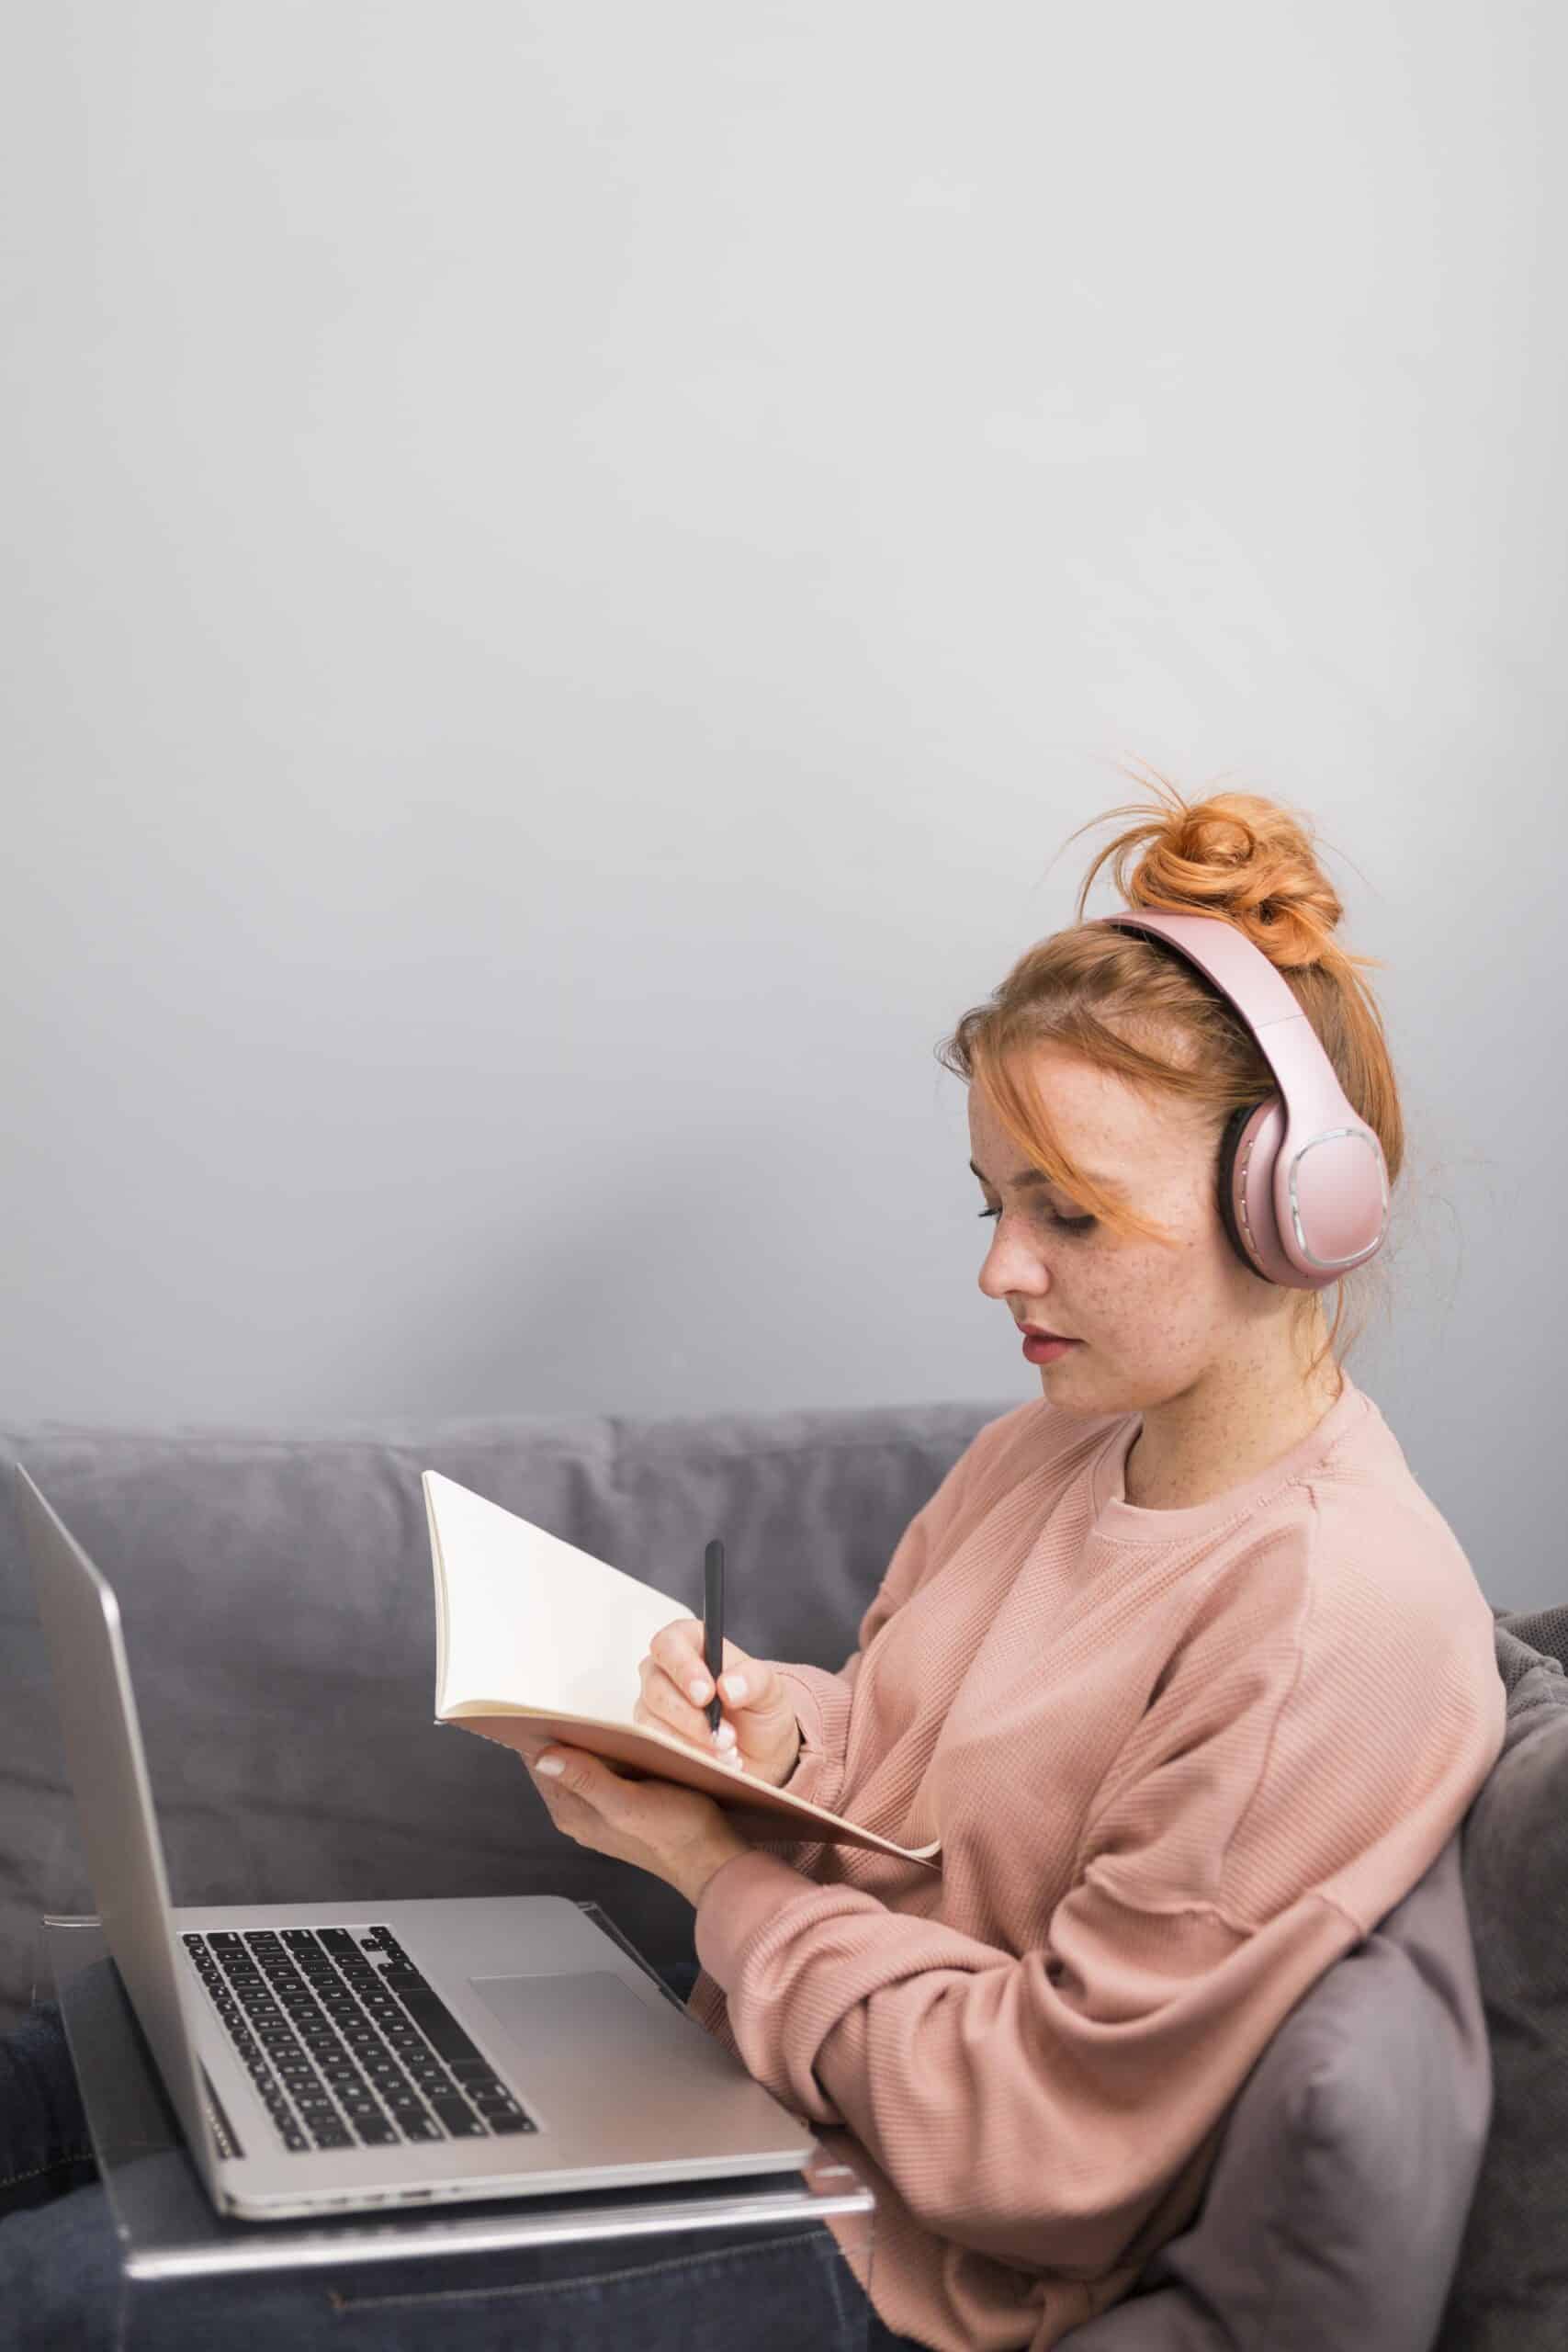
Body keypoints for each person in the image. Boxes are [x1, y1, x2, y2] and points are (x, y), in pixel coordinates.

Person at [0, 776, 1507, 2352]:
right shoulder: (1050, 1448)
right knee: (97, 2037)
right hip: (743, 2072)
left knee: (67, 2299)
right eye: (995, 1202)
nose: (1001, 1267)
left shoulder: (1330, 1623)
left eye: (1069, 1215)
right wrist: (771, 1729)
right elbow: (911, 1768)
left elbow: (1038, 2148)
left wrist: (717, 1876)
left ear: (1297, 1217)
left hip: (874, 2249)